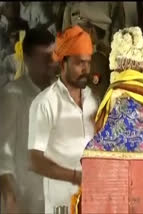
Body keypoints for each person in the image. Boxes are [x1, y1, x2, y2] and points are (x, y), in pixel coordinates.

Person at [27, 25, 99, 213]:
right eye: (79, 63)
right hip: (62, 205)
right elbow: (35, 160)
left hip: (94, 200)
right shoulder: (45, 103)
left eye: (88, 62)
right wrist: (76, 176)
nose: (86, 69)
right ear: (63, 64)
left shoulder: (94, 99)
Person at [0, 27, 56, 214]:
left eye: (52, 57)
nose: (50, 64)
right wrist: (9, 196)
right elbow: (3, 154)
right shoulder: (13, 95)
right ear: (28, 60)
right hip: (24, 204)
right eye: (44, 59)